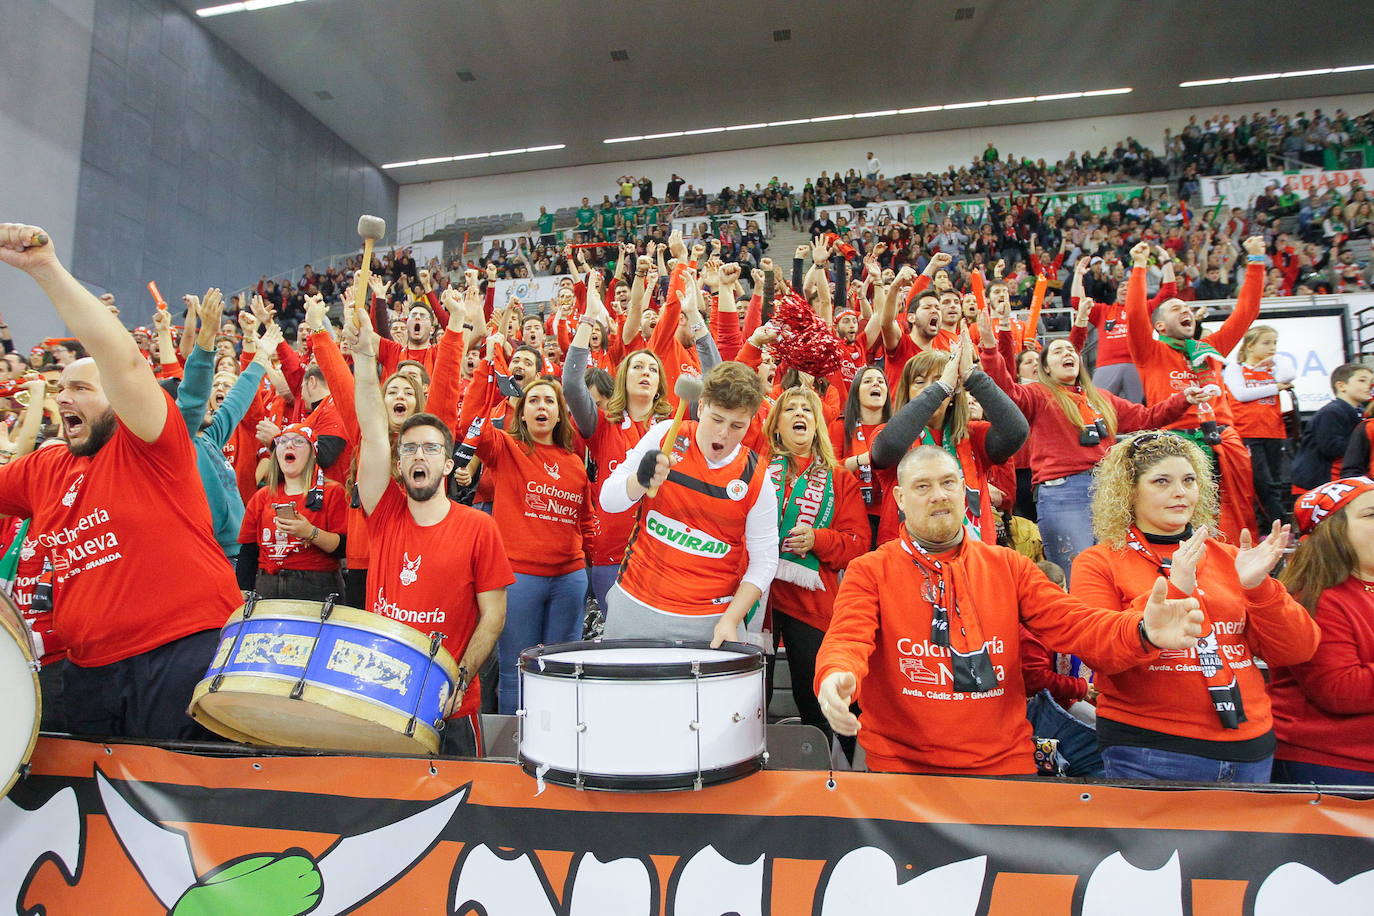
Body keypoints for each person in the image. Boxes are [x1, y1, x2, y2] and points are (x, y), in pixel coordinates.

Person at [813, 445, 1207, 775]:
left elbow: (1076, 624)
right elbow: (848, 638)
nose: (939, 495)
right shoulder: (870, 570)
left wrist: (1142, 631)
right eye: (923, 486)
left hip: (1004, 768)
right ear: (900, 498)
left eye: (948, 483)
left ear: (964, 489)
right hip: (903, 770)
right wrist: (835, 675)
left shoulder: (1009, 565)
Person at [0, 222, 240, 740]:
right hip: (88, 673)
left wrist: (45, 269)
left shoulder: (151, 444)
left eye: (82, 388)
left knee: (181, 787)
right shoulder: (46, 468)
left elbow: (125, 363)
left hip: (182, 652)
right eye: (61, 390)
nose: (64, 398)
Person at [1071, 432, 1320, 782]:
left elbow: (1298, 649)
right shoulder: (1099, 562)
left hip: (1251, 746)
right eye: (1162, 481)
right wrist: (1175, 590)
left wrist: (1260, 588)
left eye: (1189, 480)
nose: (1180, 492)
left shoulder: (1232, 557)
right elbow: (1099, 653)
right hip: (1153, 749)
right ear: (1128, 491)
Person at [352, 300, 514, 755]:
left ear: (447, 463)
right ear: (399, 462)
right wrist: (364, 358)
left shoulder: (479, 528)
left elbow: (494, 617)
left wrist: (459, 677)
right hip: (384, 702)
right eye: (409, 449)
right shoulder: (384, 511)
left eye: (429, 448)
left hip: (453, 707)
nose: (418, 455)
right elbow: (372, 428)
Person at [980, 323, 1203, 580]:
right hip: (1063, 493)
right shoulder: (1037, 394)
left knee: (1120, 567)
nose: (1067, 353)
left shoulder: (1101, 397)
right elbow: (1005, 392)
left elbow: (1146, 418)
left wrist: (1184, 399)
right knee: (1077, 570)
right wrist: (991, 349)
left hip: (1110, 488)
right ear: (1046, 368)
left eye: (1070, 350)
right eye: (1058, 351)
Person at [601, 361, 779, 647]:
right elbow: (608, 501)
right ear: (701, 405)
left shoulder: (756, 476)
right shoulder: (667, 435)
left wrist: (731, 619)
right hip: (636, 603)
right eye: (716, 419)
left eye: (737, 425)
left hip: (711, 618)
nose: (723, 434)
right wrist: (639, 481)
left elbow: (765, 560)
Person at [456, 352, 595, 715]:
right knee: (515, 672)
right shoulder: (505, 448)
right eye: (533, 400)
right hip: (520, 579)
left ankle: (560, 737)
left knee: (562, 672)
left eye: (549, 401)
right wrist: (487, 373)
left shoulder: (574, 463)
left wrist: (594, 568)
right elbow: (471, 423)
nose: (541, 406)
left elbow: (585, 522)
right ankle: (514, 743)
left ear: (560, 413)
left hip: (569, 581)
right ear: (521, 412)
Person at [1125, 237, 1266, 542]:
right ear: (1160, 326)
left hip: (1224, 440)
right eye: (1176, 308)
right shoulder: (1150, 351)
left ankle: (1237, 560)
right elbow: (1135, 314)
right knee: (1186, 517)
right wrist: (1139, 267)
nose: (1185, 310)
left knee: (1237, 516)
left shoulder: (1209, 348)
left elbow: (1246, 312)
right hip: (1177, 443)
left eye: (1187, 307)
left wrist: (1255, 261)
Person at [761, 386, 868, 742]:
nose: (799, 414)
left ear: (818, 424)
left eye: (807, 409)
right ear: (776, 425)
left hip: (811, 606)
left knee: (816, 706)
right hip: (758, 604)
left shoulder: (840, 479)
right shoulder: (757, 469)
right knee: (751, 703)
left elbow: (857, 545)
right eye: (790, 408)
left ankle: (831, 771)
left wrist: (818, 539)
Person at [870, 336, 1028, 544]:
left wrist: (972, 376)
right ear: (906, 393)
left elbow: (1016, 431)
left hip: (973, 554)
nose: (929, 388)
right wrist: (941, 387)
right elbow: (888, 447)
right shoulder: (887, 434)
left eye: (939, 380)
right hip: (906, 556)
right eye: (920, 382)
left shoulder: (973, 435)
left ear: (953, 394)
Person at [1268, 477, 1374, 785]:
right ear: (1333, 531)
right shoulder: (1314, 597)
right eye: (1370, 515)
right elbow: (1340, 690)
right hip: (1330, 766)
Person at [236, 422, 348, 600]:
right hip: (267, 585)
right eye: (282, 441)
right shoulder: (262, 496)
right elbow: (249, 551)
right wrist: (242, 590)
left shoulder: (333, 492)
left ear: (313, 453)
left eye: (298, 441)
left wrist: (310, 533)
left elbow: (343, 547)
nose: (289, 445)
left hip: (316, 586)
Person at [1223, 325, 1297, 528]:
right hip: (1247, 432)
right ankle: (1277, 525)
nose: (1272, 347)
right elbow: (1241, 394)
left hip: (1274, 431)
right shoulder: (1236, 368)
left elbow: (1289, 375)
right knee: (1261, 482)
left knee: (1275, 482)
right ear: (1250, 345)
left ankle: (1273, 527)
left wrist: (1278, 358)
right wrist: (1275, 387)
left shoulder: (1272, 370)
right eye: (1266, 343)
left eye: (1275, 343)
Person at [1292, 362, 1372, 491]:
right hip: (1320, 484)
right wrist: (1363, 446)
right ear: (1341, 386)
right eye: (1362, 380)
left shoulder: (1362, 413)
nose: (1369, 386)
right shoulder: (1331, 412)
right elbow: (1331, 448)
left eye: (1371, 381)